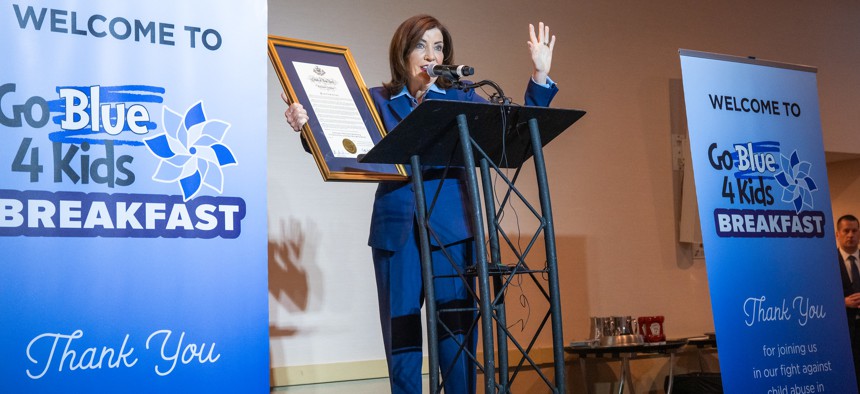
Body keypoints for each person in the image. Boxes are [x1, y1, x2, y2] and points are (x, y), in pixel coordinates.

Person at [283, 14, 558, 394]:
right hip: (396, 233)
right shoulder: (374, 100)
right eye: (421, 45)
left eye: (439, 47)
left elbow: (514, 133)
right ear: (403, 52)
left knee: (458, 345)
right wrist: (305, 125)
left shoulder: (460, 96)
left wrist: (540, 78)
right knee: (403, 344)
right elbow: (335, 136)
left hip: (453, 233)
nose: (431, 55)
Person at [837, 214, 860, 390]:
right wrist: (841, 302)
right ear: (838, 234)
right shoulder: (826, 262)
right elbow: (820, 295)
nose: (850, 235)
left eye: (854, 230)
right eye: (846, 231)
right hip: (843, 331)